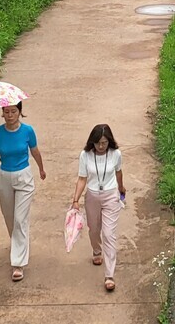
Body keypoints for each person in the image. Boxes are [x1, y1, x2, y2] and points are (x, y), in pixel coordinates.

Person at [0, 102, 46, 282]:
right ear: (2, 113)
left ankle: (18, 263)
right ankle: (19, 243)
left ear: (20, 112)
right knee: (10, 217)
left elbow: (35, 151)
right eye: (6, 112)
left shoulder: (28, 131)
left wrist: (41, 168)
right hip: (4, 177)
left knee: (20, 218)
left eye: (13, 111)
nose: (9, 115)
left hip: (23, 176)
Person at [70, 124, 125, 292]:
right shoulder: (85, 155)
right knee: (94, 229)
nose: (101, 146)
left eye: (104, 142)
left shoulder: (116, 154)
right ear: (92, 142)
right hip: (92, 196)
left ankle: (109, 275)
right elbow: (82, 178)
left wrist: (121, 188)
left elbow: (118, 173)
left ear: (109, 141)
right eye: (98, 143)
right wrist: (76, 200)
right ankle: (96, 250)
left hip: (111, 196)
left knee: (109, 234)